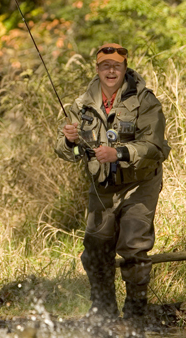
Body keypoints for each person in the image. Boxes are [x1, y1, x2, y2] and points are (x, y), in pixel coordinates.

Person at [55, 43, 170, 320]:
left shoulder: (145, 101)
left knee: (133, 243)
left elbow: (156, 148)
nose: (111, 71)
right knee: (95, 245)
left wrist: (117, 153)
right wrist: (70, 141)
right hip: (102, 185)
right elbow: (64, 151)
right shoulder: (81, 106)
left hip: (140, 184)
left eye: (116, 66)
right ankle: (103, 310)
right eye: (105, 65)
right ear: (97, 69)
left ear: (124, 68)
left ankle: (134, 313)